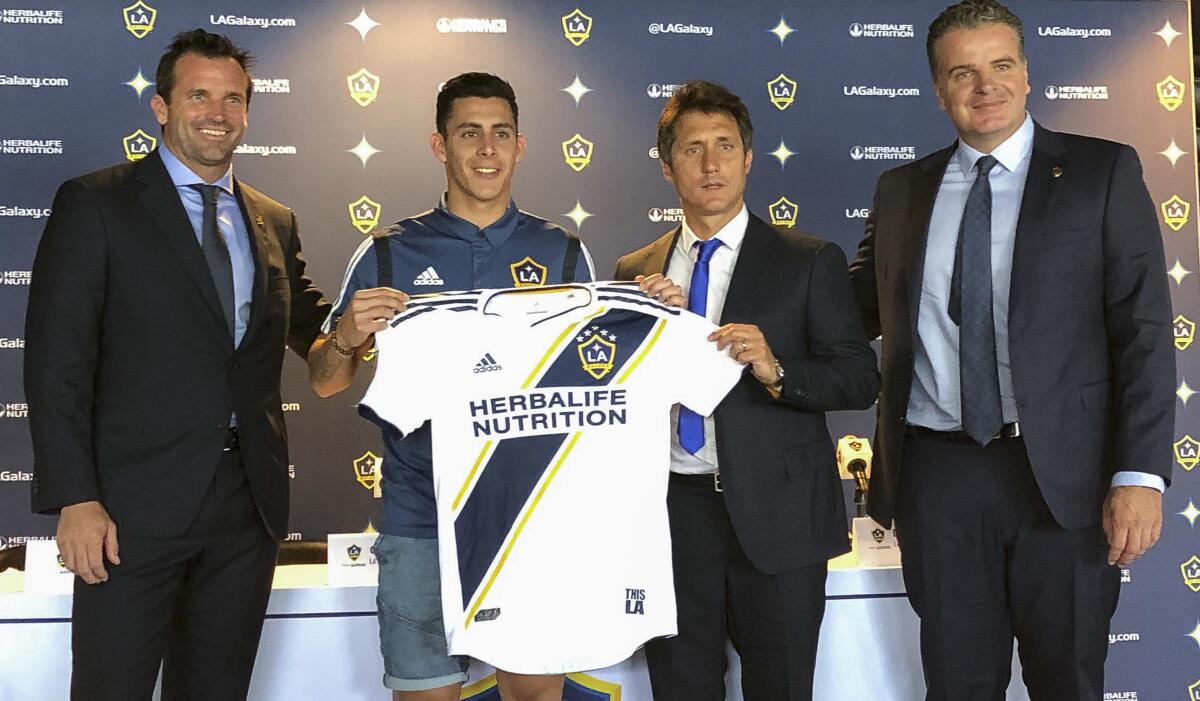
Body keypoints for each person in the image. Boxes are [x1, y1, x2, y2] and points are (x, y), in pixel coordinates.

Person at [848, 1, 1173, 698]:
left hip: (1064, 479)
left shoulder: (1101, 172)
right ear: (938, 90)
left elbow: (1143, 330)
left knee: (1069, 681)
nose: (984, 85)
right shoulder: (900, 191)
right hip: (938, 480)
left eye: (1000, 65)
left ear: (1027, 74)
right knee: (958, 684)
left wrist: (1140, 473)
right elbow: (850, 312)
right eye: (961, 72)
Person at [25, 29, 330, 701]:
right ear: (161, 106)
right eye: (199, 95)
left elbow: (312, 329)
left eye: (233, 99)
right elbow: (57, 364)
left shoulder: (274, 220)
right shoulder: (97, 203)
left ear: (248, 111)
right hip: (128, 514)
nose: (217, 113)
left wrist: (362, 325)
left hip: (245, 509)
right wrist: (76, 498)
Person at [308, 72, 594, 701]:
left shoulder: (564, 253)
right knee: (425, 695)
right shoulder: (387, 251)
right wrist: (347, 337)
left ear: (521, 145)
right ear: (440, 146)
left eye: (500, 133)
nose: (486, 149)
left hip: (524, 520)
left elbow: (593, 386)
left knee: (536, 694)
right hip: (419, 518)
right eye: (469, 133)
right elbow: (326, 381)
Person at [614, 79, 879, 701]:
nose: (711, 164)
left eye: (725, 146)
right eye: (692, 148)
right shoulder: (634, 272)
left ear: (748, 158)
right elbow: (613, 393)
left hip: (781, 518)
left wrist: (778, 369)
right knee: (681, 688)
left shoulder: (807, 259)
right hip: (673, 517)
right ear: (667, 165)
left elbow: (860, 378)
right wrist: (638, 339)